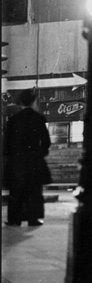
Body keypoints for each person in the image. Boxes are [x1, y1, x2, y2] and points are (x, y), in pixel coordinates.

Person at [4, 89, 51, 226]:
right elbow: (46, 142)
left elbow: (6, 144)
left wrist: (12, 157)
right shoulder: (39, 118)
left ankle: (14, 219)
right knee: (34, 191)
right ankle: (33, 218)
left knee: (16, 191)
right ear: (33, 102)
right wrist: (40, 154)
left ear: (20, 103)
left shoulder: (13, 120)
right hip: (34, 161)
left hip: (17, 162)